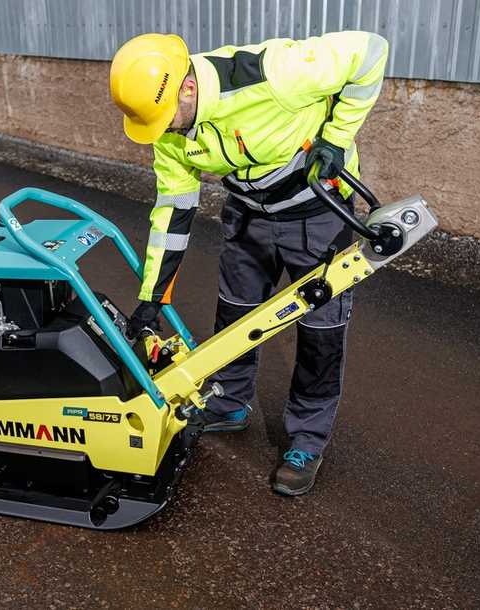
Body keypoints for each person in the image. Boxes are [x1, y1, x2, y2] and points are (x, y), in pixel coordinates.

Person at [109, 30, 388, 496]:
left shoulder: (273, 73)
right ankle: (229, 402)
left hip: (317, 211)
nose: (165, 131)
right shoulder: (170, 128)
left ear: (189, 88)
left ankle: (307, 438)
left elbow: (370, 51)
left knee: (320, 331)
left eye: (167, 118)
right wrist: (150, 299)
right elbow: (173, 213)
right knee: (234, 312)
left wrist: (337, 139)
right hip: (249, 214)